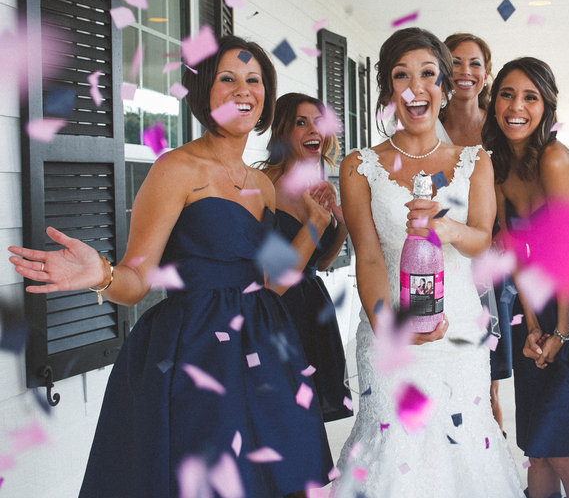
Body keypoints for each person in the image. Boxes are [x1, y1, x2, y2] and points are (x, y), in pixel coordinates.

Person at [8, 36, 332, 497]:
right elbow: (137, 281)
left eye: (254, 80)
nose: (244, 90)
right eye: (228, 79)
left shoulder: (262, 185)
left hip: (265, 347)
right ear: (203, 90)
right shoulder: (175, 169)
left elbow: (273, 283)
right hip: (198, 348)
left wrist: (315, 226)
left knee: (287, 478)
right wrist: (100, 274)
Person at [333, 27, 523, 497]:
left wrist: (447, 227)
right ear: (388, 90)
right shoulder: (360, 166)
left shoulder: (475, 161)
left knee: (463, 442)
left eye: (428, 75)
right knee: (393, 444)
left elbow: (481, 239)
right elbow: (370, 256)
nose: (415, 87)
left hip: (457, 327)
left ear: (443, 87)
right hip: (388, 326)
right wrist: (389, 327)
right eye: (402, 75)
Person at [482, 57, 569, 498]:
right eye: (506, 94)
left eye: (530, 97)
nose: (516, 107)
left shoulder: (556, 159)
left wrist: (562, 330)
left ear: (547, 106)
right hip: (541, 302)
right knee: (538, 446)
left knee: (559, 444)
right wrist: (534, 326)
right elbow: (517, 256)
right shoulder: (498, 166)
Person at [258, 92, 353, 422]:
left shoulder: (319, 185)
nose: (314, 130)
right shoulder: (264, 187)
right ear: (283, 131)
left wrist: (340, 225)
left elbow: (321, 263)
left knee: (311, 420)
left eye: (318, 122)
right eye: (301, 123)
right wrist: (315, 224)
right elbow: (273, 277)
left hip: (313, 306)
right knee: (281, 414)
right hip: (277, 311)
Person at [442, 32, 514, 434]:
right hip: (439, 255)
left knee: (486, 385)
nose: (464, 72)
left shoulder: (501, 128)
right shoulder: (428, 124)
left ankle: (491, 464)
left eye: (474, 64)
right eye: (455, 62)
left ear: (486, 73)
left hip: (489, 261)